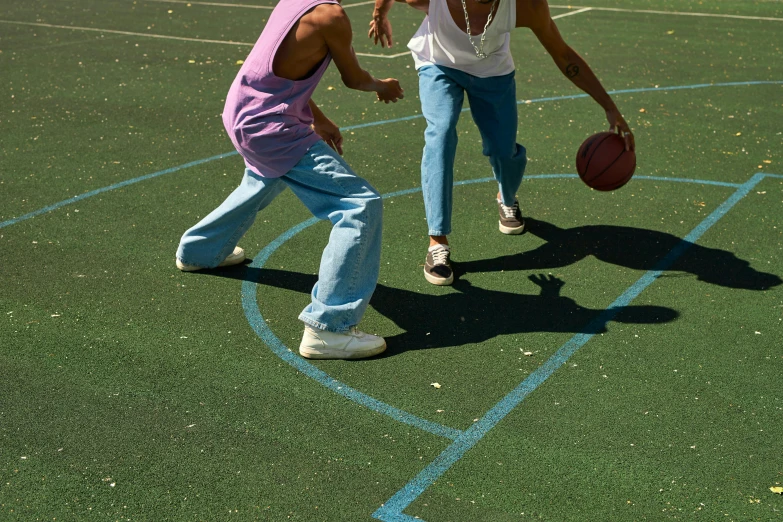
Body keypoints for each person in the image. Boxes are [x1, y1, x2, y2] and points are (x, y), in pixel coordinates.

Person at [175, 0, 404, 359]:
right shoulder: (332, 16)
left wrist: (317, 118)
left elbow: (282, 76)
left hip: (244, 111)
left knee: (265, 176)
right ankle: (329, 329)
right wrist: (382, 86)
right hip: (271, 127)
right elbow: (354, 78)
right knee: (360, 204)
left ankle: (199, 251)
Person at [368, 0, 635, 285]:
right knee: (441, 134)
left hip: (493, 72)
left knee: (503, 151)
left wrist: (609, 106)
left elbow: (563, 54)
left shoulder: (526, 6)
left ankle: (506, 197)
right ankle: (438, 242)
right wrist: (380, 14)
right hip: (438, 63)